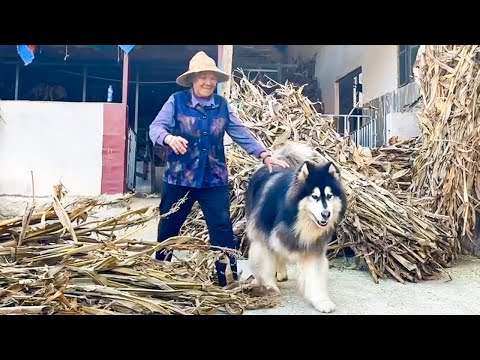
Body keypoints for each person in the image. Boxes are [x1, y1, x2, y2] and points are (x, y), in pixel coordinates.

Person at [149, 51, 289, 287]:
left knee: (222, 230)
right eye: (203, 77)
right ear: (192, 79)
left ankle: (227, 280)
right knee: (169, 226)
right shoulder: (176, 101)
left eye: (212, 77)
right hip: (179, 179)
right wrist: (168, 138)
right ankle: (160, 276)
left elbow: (240, 133)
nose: (208, 82)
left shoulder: (222, 106)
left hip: (213, 180)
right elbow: (155, 127)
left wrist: (264, 155)